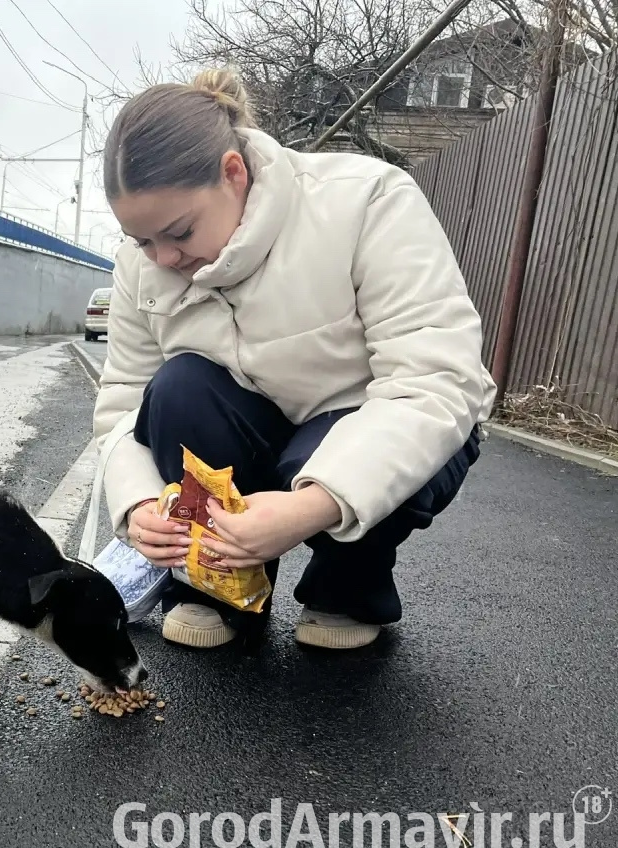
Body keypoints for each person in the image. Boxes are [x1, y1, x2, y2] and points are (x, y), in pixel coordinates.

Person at [92, 66, 497, 652]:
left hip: (353, 422)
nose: (163, 258)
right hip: (246, 432)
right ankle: (220, 587)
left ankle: (347, 582)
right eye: (142, 241)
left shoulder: (365, 200)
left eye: (178, 232)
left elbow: (436, 382)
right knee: (179, 388)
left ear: (233, 175)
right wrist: (136, 507)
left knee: (403, 448)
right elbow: (125, 402)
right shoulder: (144, 265)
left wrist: (313, 504)